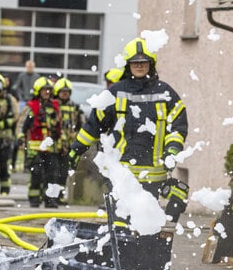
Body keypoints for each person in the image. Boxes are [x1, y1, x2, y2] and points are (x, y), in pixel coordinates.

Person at [68, 37, 189, 219]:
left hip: (153, 176)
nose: (139, 66)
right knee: (120, 225)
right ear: (127, 65)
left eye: (143, 62)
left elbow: (177, 127)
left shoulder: (166, 94)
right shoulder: (115, 93)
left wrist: (172, 149)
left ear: (151, 64)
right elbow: (94, 125)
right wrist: (76, 149)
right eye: (135, 62)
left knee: (147, 225)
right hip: (121, 175)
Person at [17, 76, 62, 207]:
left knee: (52, 174)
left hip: (50, 147)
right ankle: (34, 198)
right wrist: (20, 138)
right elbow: (21, 124)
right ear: (38, 91)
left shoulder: (54, 107)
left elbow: (58, 126)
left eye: (49, 90)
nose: (47, 92)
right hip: (34, 147)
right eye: (44, 90)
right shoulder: (31, 107)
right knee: (36, 173)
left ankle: (50, 199)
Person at [52, 77, 84, 204]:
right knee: (53, 172)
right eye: (62, 91)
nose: (65, 94)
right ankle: (51, 196)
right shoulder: (54, 106)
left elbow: (81, 125)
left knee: (63, 172)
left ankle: (59, 196)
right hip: (55, 145)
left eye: (67, 92)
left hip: (70, 145)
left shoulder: (75, 107)